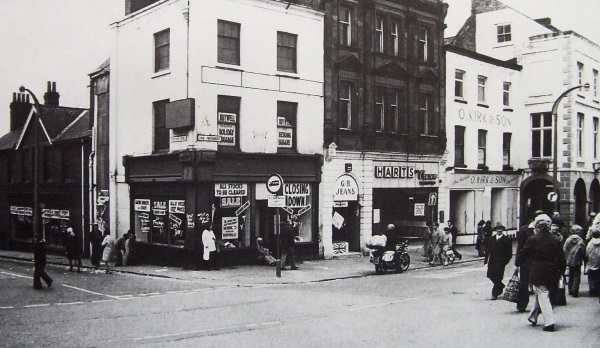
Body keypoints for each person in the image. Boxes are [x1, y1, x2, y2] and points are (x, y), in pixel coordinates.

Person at [515, 214, 566, 332]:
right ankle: (533, 316)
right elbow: (561, 257)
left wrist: (517, 263)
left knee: (542, 293)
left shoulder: (533, 239)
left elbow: (524, 253)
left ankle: (549, 321)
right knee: (541, 293)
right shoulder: (555, 239)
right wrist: (562, 271)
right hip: (552, 270)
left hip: (537, 270)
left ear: (537, 226)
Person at [484, 224, 513, 300]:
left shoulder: (507, 240)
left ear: (503, 230)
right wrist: (485, 261)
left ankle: (494, 294)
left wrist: (504, 262)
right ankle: (501, 285)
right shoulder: (491, 239)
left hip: (501, 263)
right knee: (490, 275)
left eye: (501, 229)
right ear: (495, 230)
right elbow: (487, 251)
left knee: (498, 278)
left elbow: (509, 253)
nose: (499, 230)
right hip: (492, 261)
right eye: (498, 229)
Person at [515, 217, 536, 312]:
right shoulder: (525, 230)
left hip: (538, 261)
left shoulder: (544, 230)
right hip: (526, 261)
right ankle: (522, 304)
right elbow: (520, 246)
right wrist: (518, 261)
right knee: (524, 283)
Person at [563, 225, 586, 297]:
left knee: (571, 275)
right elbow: (583, 251)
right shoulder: (581, 240)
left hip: (569, 260)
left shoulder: (568, 240)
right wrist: (583, 258)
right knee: (577, 276)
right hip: (577, 260)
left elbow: (564, 249)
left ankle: (570, 290)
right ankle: (575, 290)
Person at [586, 227, 600, 297]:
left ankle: (592, 290)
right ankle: (598, 290)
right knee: (598, 277)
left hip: (591, 262)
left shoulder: (589, 243)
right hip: (599, 263)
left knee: (591, 277)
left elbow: (587, 253)